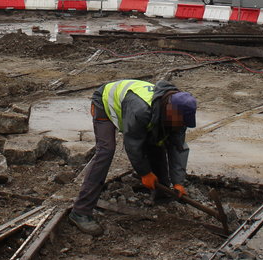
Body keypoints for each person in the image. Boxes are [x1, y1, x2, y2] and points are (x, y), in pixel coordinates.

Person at [69, 79, 198, 236]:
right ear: (170, 110)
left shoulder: (179, 113)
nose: (181, 125)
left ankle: (162, 194)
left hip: (135, 109)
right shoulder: (141, 110)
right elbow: (133, 144)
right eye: (180, 121)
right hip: (104, 103)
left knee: (158, 140)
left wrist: (178, 182)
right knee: (106, 151)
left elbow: (177, 147)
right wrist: (144, 173)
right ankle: (80, 211)